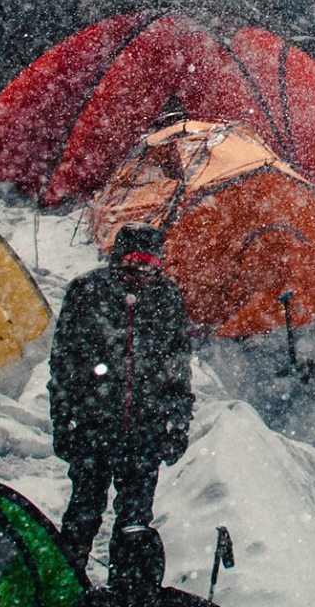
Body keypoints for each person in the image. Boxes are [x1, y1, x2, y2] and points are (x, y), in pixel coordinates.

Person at [51, 223, 195, 607]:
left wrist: (176, 424)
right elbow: (63, 366)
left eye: (151, 266)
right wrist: (64, 421)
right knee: (83, 511)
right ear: (116, 262)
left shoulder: (168, 299)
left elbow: (178, 369)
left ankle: (125, 593)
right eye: (133, 264)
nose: (141, 275)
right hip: (93, 428)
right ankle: (66, 588)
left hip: (144, 433)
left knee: (134, 521)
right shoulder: (86, 293)